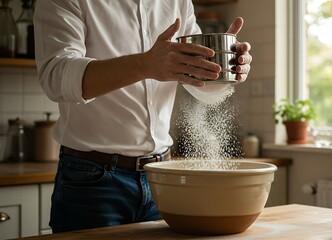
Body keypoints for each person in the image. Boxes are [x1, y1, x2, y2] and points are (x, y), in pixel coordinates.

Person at [33, 0, 252, 233]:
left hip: (163, 178)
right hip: (92, 181)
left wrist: (225, 66)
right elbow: (56, 78)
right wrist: (144, 64)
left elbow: (195, 77)